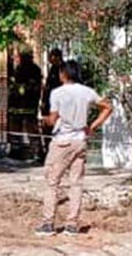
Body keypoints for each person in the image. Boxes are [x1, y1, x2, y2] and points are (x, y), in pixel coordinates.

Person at [37, 60, 113, 237]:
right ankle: (72, 224)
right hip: (80, 140)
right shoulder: (87, 91)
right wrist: (92, 126)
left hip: (62, 141)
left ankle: (48, 223)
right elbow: (108, 107)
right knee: (76, 183)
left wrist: (44, 119)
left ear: (64, 74)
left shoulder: (57, 93)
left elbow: (53, 118)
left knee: (52, 181)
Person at [9, 50, 44, 159]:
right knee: (16, 127)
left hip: (27, 104)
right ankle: (17, 150)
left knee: (31, 128)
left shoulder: (33, 70)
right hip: (18, 104)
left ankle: (37, 151)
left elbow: (34, 87)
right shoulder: (19, 68)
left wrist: (21, 88)